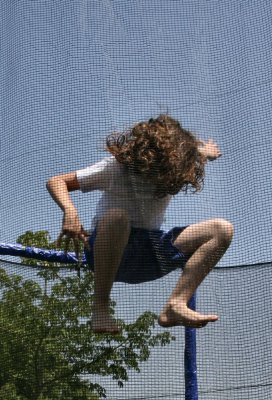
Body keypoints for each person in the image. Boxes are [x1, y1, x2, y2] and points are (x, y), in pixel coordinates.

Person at [46, 114, 234, 334]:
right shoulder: (115, 169)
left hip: (150, 254)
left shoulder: (175, 169)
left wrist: (205, 153)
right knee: (118, 217)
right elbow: (57, 181)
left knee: (221, 229)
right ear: (150, 158)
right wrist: (70, 212)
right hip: (108, 254)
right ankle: (100, 308)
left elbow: (188, 152)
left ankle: (176, 305)